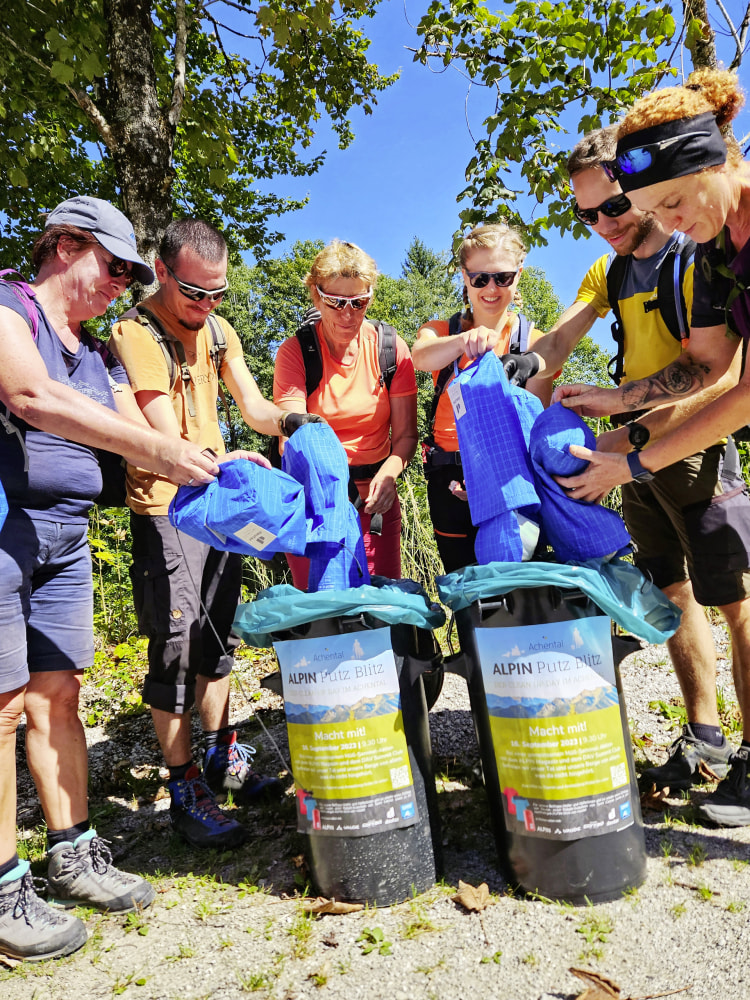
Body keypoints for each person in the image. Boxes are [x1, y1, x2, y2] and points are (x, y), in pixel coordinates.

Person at [0, 196, 222, 962]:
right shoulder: (7, 309)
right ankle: (3, 887)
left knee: (58, 693)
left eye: (133, 275)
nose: (121, 284)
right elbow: (30, 396)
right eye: (113, 266)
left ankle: (73, 850)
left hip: (63, 533)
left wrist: (220, 470)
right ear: (65, 243)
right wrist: (162, 453)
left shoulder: (92, 349)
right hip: (2, 529)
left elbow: (157, 435)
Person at [508, 127, 750, 799]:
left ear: (642, 193)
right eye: (585, 215)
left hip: (691, 443)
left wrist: (620, 437)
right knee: (674, 595)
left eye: (613, 207)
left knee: (735, 603)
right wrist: (524, 368)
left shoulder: (694, 252)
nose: (602, 225)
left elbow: (710, 377)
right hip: (631, 452)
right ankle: (704, 742)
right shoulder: (608, 269)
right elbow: (560, 338)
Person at [109, 220, 304, 851]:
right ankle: (184, 783)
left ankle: (223, 755)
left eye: (219, 293)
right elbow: (166, 437)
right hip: (168, 505)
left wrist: (296, 422)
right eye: (196, 294)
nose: (208, 306)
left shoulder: (218, 329)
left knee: (218, 634)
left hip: (216, 504)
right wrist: (226, 462)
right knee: (175, 642)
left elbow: (251, 407)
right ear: (163, 272)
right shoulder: (136, 333)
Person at [273, 240, 418, 586]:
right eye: (335, 302)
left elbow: (406, 437)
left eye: (359, 302)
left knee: (380, 614)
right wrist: (332, 496)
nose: (348, 314)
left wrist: (389, 474)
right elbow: (290, 438)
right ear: (315, 295)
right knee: (325, 617)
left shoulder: (389, 349)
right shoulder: (296, 353)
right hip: (315, 504)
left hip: (375, 502)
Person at [411, 223, 546, 572]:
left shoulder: (533, 342)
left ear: (518, 275)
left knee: (515, 593)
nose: (491, 288)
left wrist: (489, 476)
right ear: (464, 277)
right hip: (448, 477)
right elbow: (420, 356)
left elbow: (538, 425)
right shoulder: (442, 330)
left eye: (502, 277)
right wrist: (461, 343)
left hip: (510, 478)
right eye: (479, 278)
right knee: (467, 592)